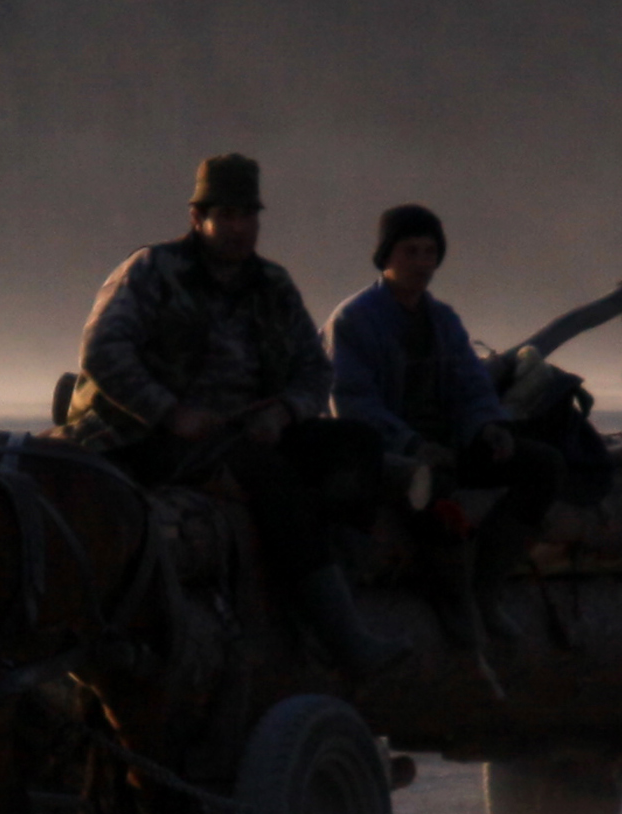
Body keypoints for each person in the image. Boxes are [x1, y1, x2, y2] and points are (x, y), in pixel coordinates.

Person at [71, 153, 402, 682]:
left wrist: (285, 411)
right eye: (224, 215)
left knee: (357, 446)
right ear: (197, 218)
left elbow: (315, 370)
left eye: (247, 215)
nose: (237, 227)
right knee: (271, 480)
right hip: (146, 433)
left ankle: (332, 588)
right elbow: (102, 353)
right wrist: (170, 412)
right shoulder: (152, 271)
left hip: (246, 427)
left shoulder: (272, 284)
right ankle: (344, 640)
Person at [328, 205, 553, 655]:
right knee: (436, 484)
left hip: (449, 444)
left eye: (431, 252)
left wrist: (488, 427)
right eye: (411, 251)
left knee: (543, 465)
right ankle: (454, 602)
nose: (422, 263)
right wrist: (413, 445)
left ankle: (486, 589)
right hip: (391, 455)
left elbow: (472, 385)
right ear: (386, 257)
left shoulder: (444, 320)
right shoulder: (354, 321)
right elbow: (352, 404)